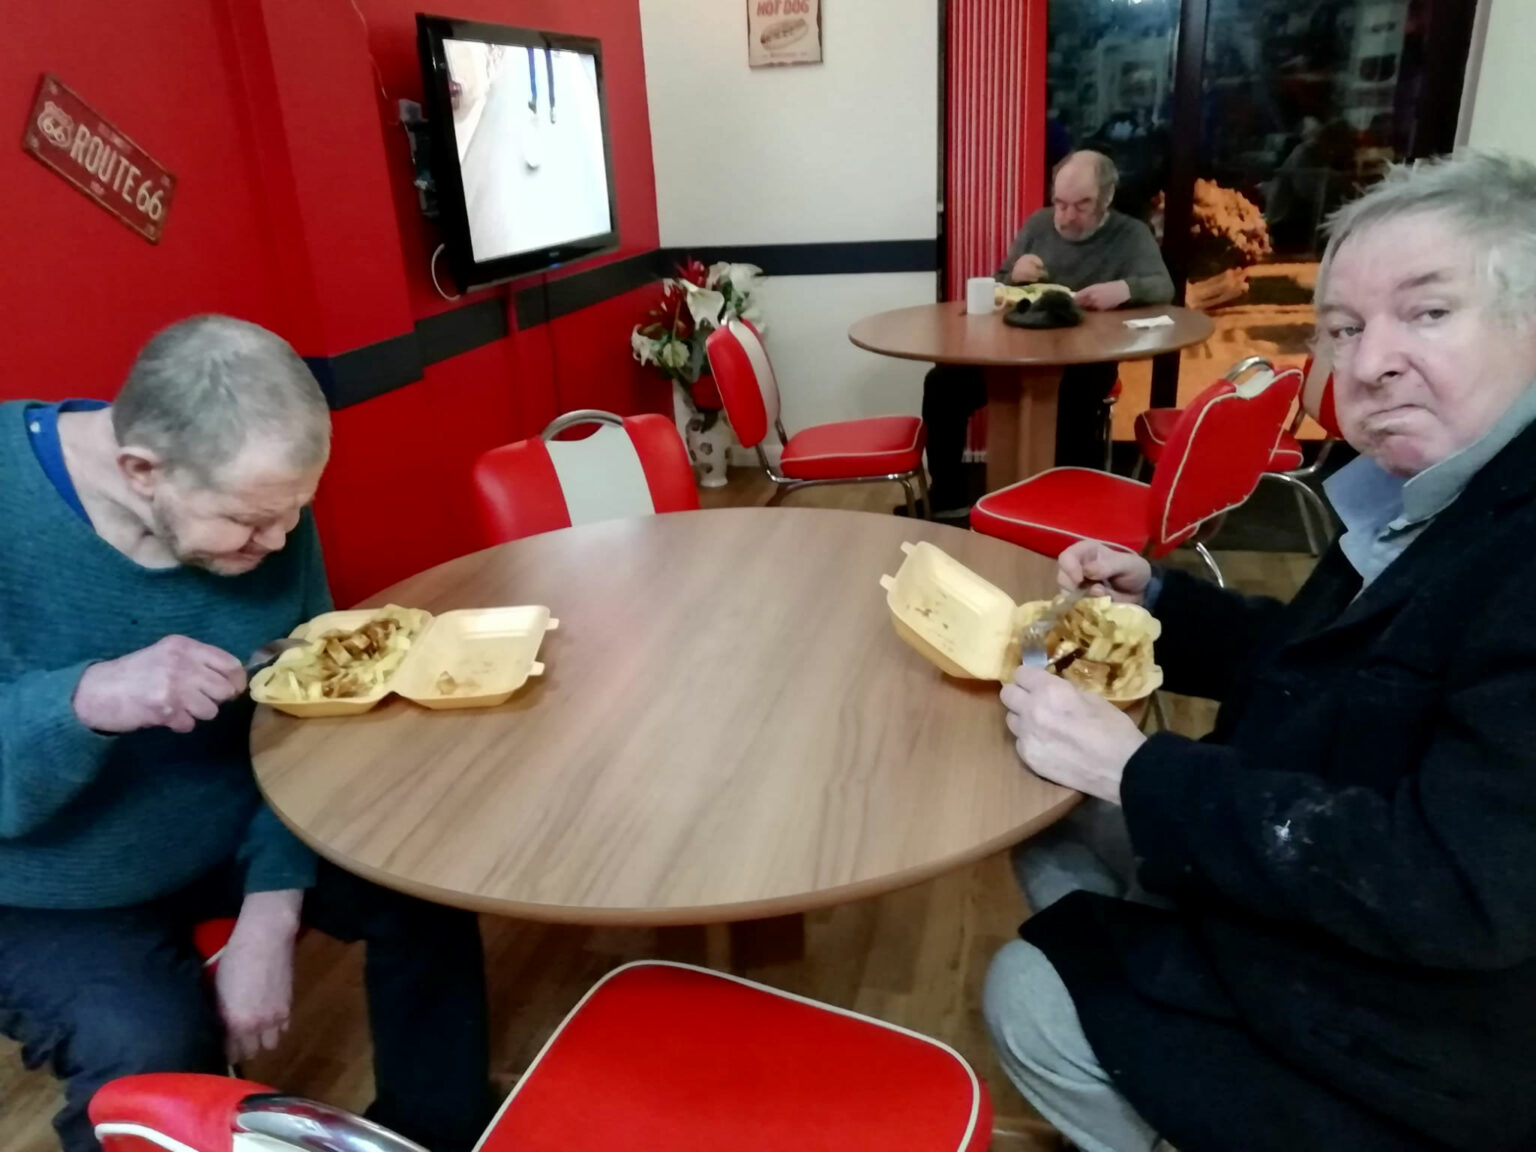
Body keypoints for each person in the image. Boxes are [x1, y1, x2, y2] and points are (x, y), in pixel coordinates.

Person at [981, 150, 1536, 1152]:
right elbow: (1316, 665)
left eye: (1427, 312)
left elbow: (1451, 889)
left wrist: (1140, 770)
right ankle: (1156, 958)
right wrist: (1160, 601)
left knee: (1025, 990)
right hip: (1310, 860)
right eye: (1345, 329)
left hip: (1422, 1033)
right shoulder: (1425, 500)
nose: (1371, 363)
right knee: (1044, 818)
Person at [0, 316, 493, 1152]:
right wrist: (84, 698)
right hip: (47, 888)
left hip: (227, 826)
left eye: (293, 514)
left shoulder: (264, 510)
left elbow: (302, 721)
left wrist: (271, 907)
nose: (280, 542)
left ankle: (434, 1130)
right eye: (249, 522)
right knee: (148, 1053)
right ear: (141, 470)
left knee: (423, 883)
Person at [919, 150, 1174, 521]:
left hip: (1086, 360)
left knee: (1072, 406)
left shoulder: (1130, 233)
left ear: (1106, 199)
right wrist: (1014, 275)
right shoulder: (1039, 224)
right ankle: (949, 496)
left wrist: (1124, 288)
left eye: (1082, 205)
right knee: (943, 384)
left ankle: (1062, 509)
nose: (1067, 217)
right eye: (1060, 203)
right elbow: (1002, 282)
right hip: (1017, 353)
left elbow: (1163, 285)